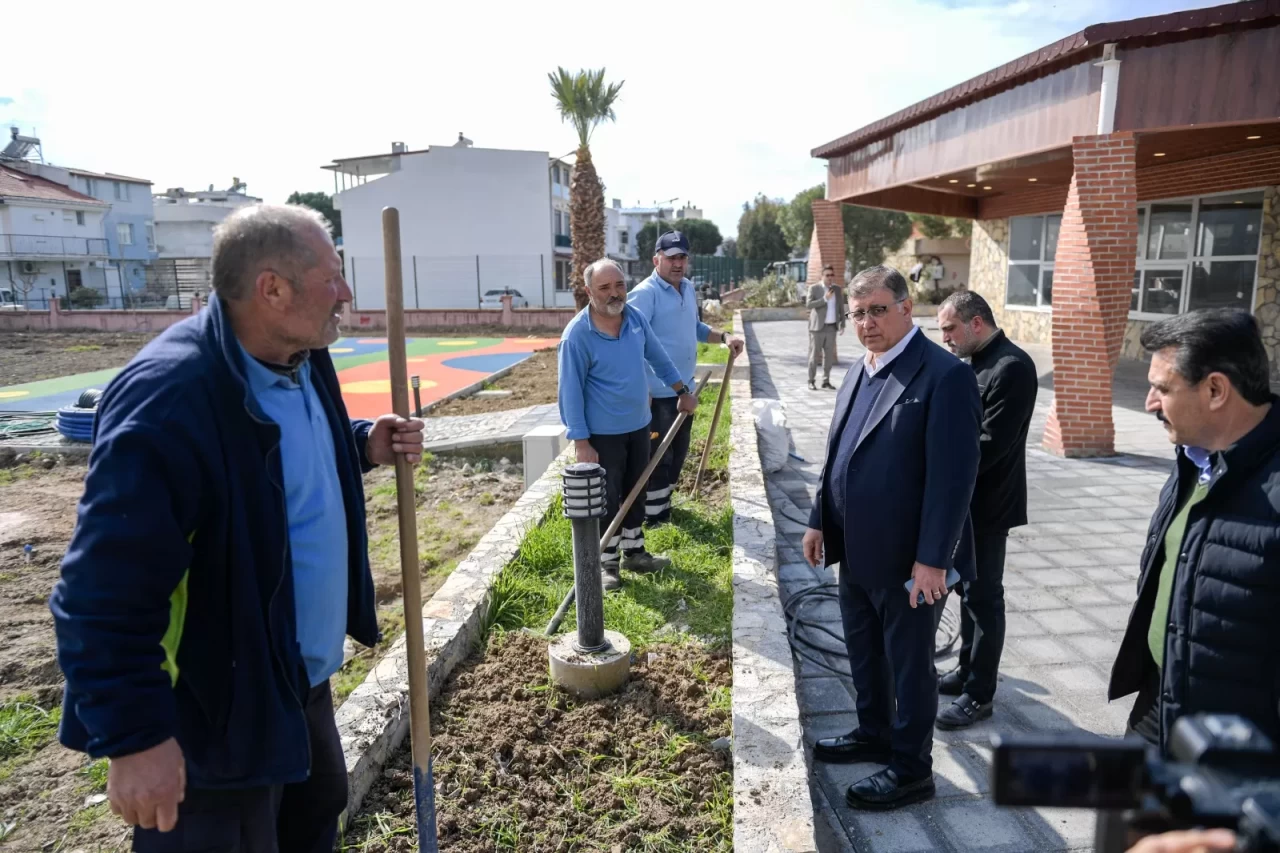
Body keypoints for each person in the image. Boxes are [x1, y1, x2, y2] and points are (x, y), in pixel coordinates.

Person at [49, 204, 425, 851]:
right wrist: (135, 738)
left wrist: (362, 443)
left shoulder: (299, 353)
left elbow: (270, 466)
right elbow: (100, 591)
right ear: (272, 289)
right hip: (216, 714)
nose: (345, 292)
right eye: (331, 277)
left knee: (313, 821)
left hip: (296, 682)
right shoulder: (171, 400)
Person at [802, 265, 981, 809]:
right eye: (858, 314)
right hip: (856, 551)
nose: (867, 323)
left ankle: (911, 769)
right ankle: (874, 732)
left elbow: (954, 480)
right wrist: (818, 518)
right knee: (864, 652)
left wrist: (933, 560)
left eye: (878, 310)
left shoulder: (944, 376)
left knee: (909, 665)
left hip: (910, 560)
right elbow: (838, 452)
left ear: (907, 308)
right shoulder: (860, 369)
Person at [1109, 308, 1280, 751]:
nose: (1149, 403)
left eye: (1163, 389)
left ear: (1216, 390)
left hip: (1236, 742)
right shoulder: (1192, 457)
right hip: (1156, 704)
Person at [558, 258, 697, 591]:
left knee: (637, 489)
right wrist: (581, 442)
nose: (614, 293)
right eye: (604, 287)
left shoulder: (634, 318)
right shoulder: (577, 336)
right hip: (602, 435)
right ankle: (607, 562)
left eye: (619, 285)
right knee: (608, 496)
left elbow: (658, 356)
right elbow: (569, 392)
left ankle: (635, 552)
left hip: (639, 426)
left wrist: (682, 391)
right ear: (589, 292)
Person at [934, 291, 1038, 729]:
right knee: (967, 591)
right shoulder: (973, 362)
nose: (945, 338)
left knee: (985, 598)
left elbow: (990, 444)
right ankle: (966, 670)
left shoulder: (1012, 367)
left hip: (990, 505)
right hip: (966, 499)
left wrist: (934, 462)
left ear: (976, 323)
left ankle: (980, 694)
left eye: (950, 329)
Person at [628, 230, 743, 525]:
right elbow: (631, 343)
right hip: (656, 396)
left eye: (682, 257)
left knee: (678, 454)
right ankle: (653, 520)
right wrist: (642, 389)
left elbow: (695, 327)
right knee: (657, 459)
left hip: (684, 392)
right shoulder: (645, 294)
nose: (678, 264)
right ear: (656, 260)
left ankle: (664, 509)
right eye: (671, 258)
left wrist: (725, 336)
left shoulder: (688, 288)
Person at [806, 264, 847, 391]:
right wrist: (824, 299)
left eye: (831, 275)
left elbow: (840, 307)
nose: (830, 277)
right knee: (814, 356)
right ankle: (811, 381)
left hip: (831, 327)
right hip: (817, 328)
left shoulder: (837, 289)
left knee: (828, 357)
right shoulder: (814, 288)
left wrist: (842, 323)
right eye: (827, 275)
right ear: (822, 276)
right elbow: (809, 304)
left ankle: (826, 381)